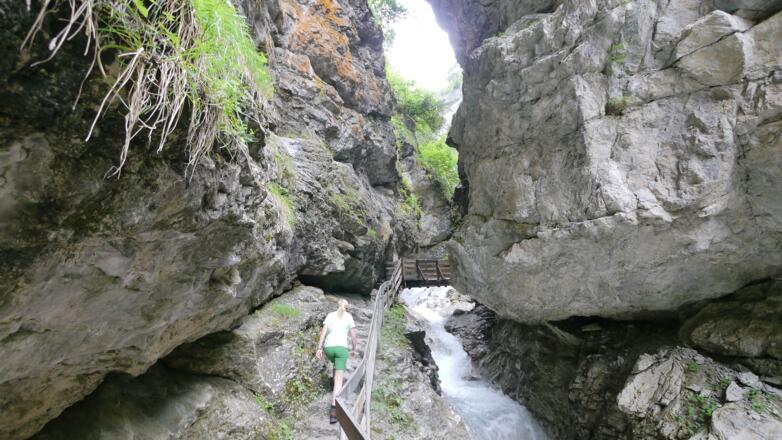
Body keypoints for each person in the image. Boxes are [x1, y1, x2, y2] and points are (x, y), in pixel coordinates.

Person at [315, 298, 357, 424]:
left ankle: (333, 385)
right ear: (346, 307)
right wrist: (354, 349)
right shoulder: (349, 317)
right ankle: (334, 411)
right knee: (340, 380)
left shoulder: (330, 315)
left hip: (328, 349)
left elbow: (323, 332)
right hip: (341, 349)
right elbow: (354, 336)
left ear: (337, 305)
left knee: (335, 364)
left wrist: (319, 348)